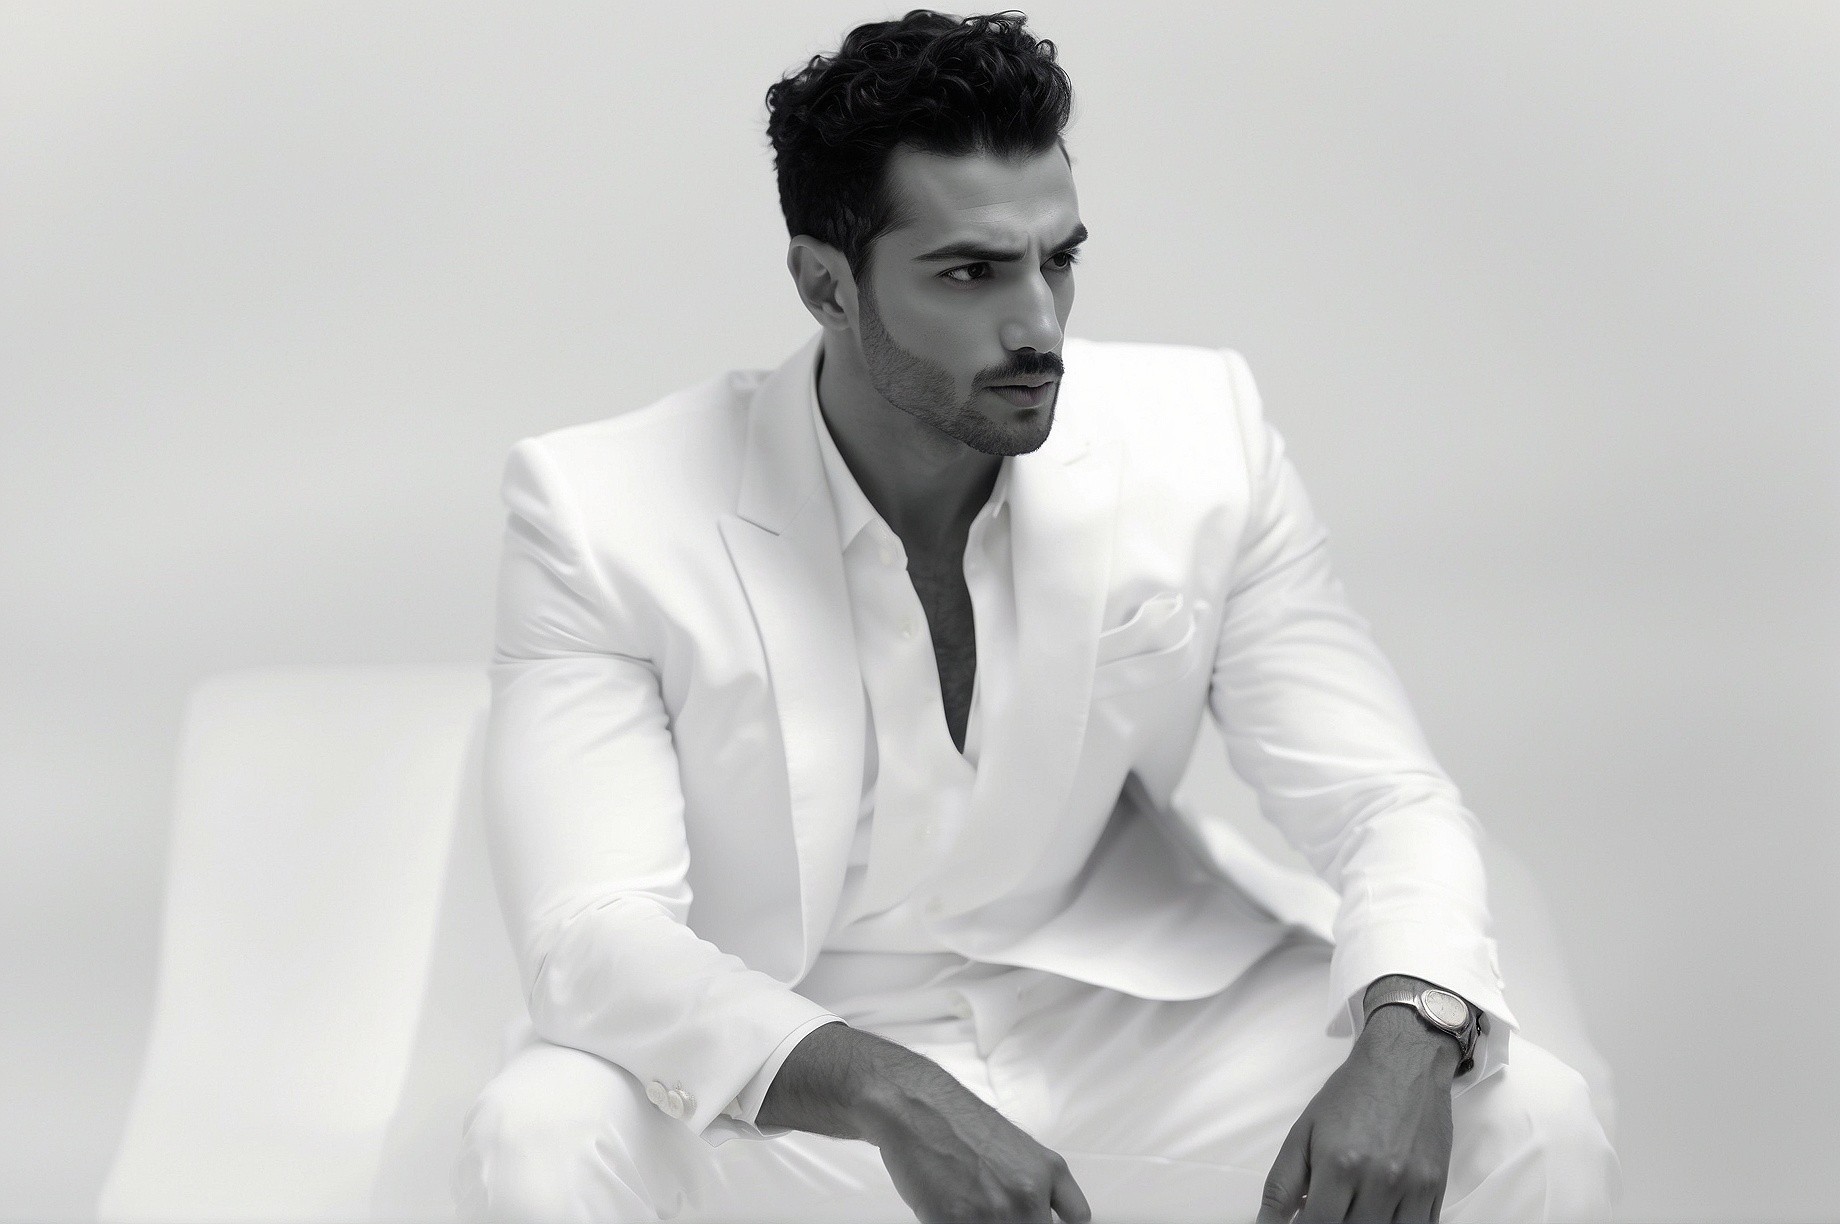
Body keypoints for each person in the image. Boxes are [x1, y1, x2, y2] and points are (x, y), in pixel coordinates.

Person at [455, 10, 1619, 1222]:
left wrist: (1411, 1029)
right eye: (970, 273)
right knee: (544, 1134)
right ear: (824, 284)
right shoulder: (602, 509)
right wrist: (889, 1090)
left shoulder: (1199, 438)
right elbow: (591, 930)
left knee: (1528, 1116)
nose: (1039, 327)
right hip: (791, 1055)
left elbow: (1381, 798)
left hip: (1123, 1021)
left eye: (1056, 259)